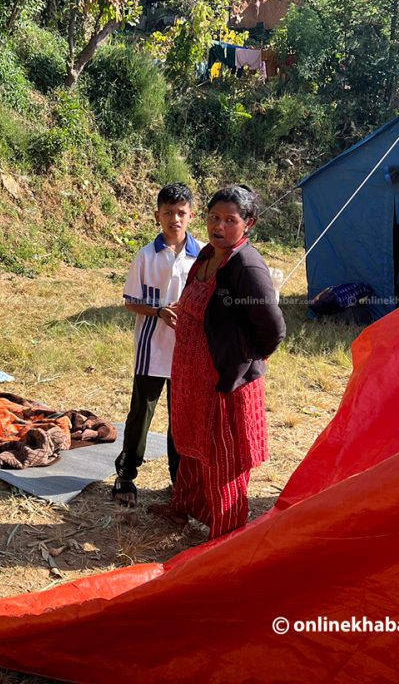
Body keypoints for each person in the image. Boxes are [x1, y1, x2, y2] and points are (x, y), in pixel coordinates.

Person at [150, 185, 285, 539]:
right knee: (192, 447)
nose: (218, 226)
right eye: (213, 218)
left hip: (223, 381)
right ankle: (184, 509)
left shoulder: (246, 265)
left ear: (248, 224)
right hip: (193, 377)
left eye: (230, 220)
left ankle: (225, 535)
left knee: (223, 459)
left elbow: (273, 329)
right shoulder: (208, 255)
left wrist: (244, 362)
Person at [112, 183, 201, 508]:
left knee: (181, 419)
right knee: (141, 415)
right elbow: (130, 302)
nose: (174, 219)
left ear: (192, 215)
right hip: (151, 351)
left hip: (187, 354)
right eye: (168, 213)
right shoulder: (147, 256)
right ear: (157, 216)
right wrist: (158, 312)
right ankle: (126, 475)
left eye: (181, 213)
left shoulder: (202, 256)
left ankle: (179, 482)